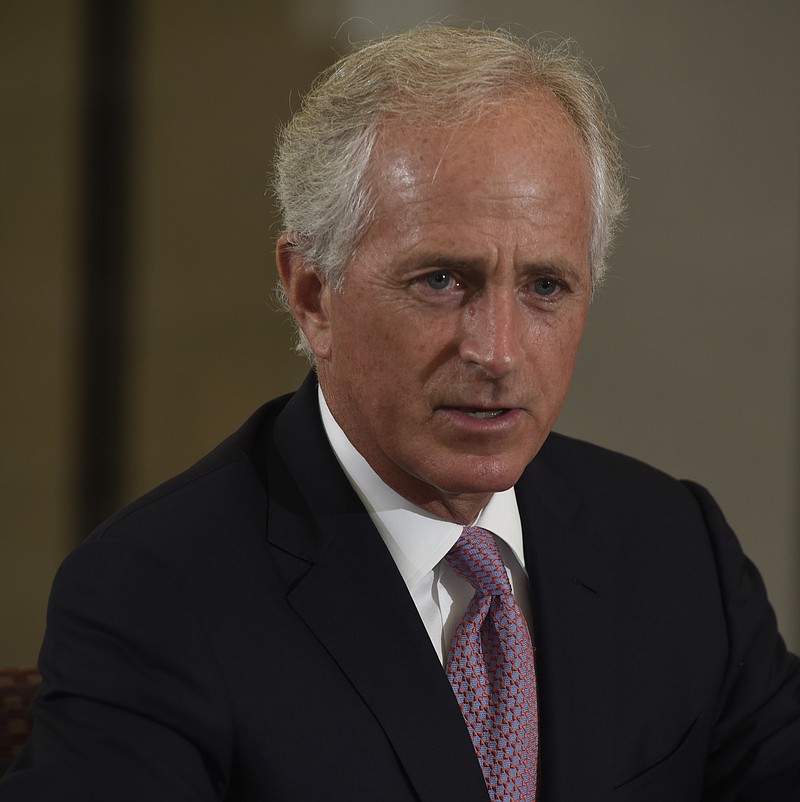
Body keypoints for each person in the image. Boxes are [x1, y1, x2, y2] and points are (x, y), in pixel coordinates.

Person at [1, 24, 798, 802]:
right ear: (312, 292)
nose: (499, 351)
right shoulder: (157, 595)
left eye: (545, 287)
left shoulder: (677, 550)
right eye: (442, 281)